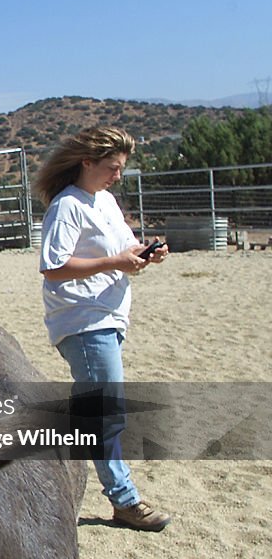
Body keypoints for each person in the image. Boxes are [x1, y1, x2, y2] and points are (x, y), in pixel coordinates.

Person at [35, 126, 172, 532]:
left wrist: (146, 253)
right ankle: (125, 499)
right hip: (83, 319)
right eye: (112, 168)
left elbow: (122, 250)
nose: (117, 176)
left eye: (120, 169)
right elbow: (53, 267)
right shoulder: (67, 207)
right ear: (87, 162)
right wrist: (114, 263)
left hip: (108, 316)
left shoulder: (105, 201)